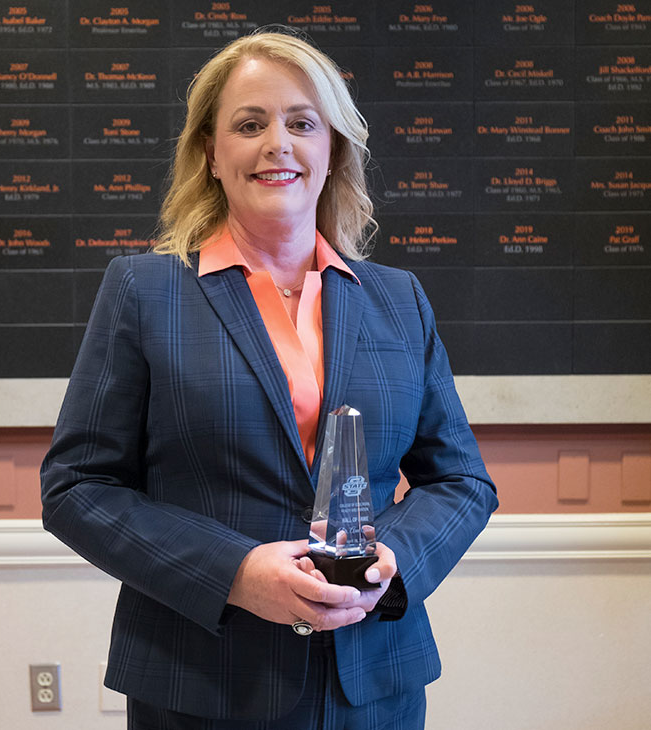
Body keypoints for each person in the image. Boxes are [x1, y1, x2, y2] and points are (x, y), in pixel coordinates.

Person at [41, 29, 498, 730]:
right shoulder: (143, 290)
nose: (276, 143)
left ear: (331, 149)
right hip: (202, 681)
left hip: (372, 685)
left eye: (301, 123)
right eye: (249, 124)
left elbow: (461, 480)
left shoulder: (398, 298)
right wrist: (236, 573)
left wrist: (393, 561)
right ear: (211, 154)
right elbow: (78, 488)